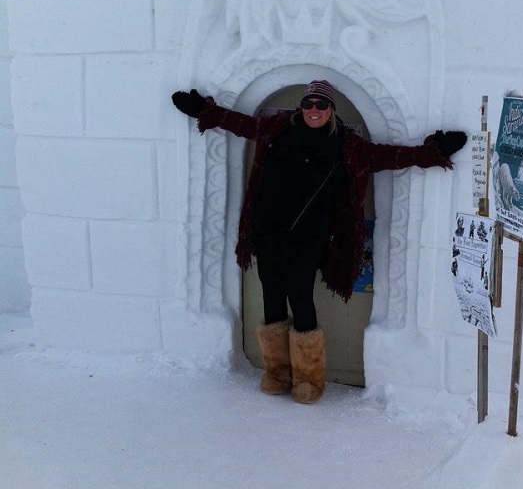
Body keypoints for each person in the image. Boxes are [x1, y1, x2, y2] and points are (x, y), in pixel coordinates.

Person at [172, 80, 467, 404]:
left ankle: (309, 379)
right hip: (267, 231)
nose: (314, 110)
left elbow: (391, 157)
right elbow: (240, 124)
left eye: (321, 105)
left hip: (309, 238)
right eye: (309, 104)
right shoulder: (276, 128)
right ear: (301, 107)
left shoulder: (349, 146)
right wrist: (205, 111)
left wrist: (431, 152)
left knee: (300, 298)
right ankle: (277, 373)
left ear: (332, 110)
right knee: (272, 295)